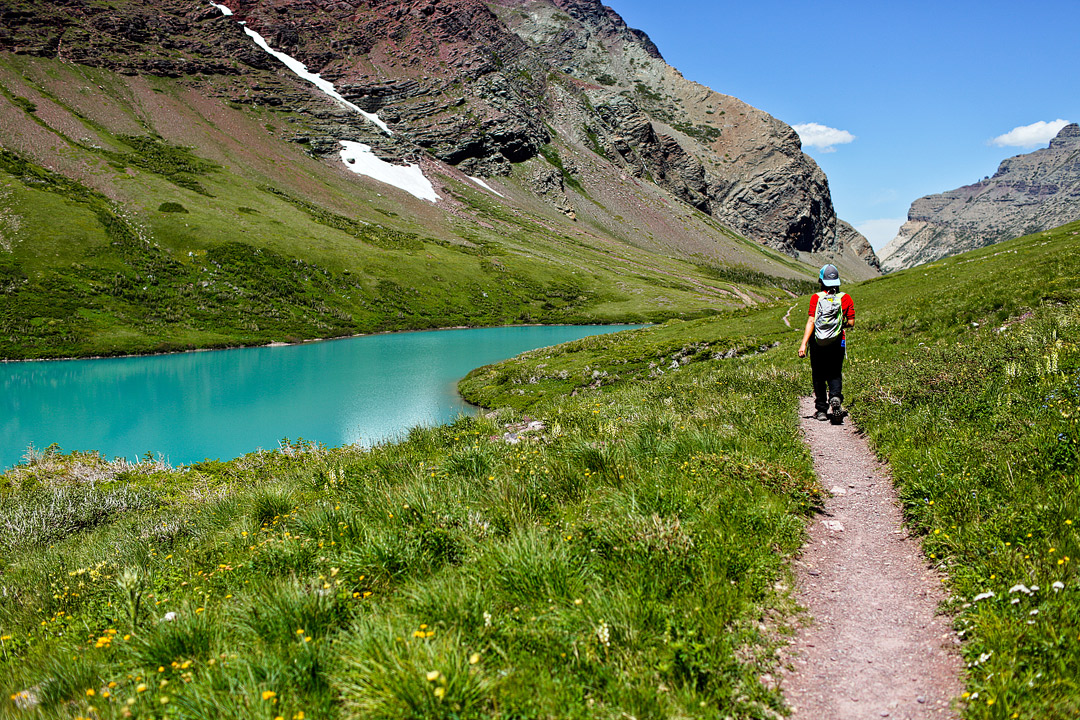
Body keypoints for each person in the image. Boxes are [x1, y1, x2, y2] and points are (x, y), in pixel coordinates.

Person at [798, 264, 855, 422]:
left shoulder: (816, 298)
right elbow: (851, 322)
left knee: (818, 374)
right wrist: (839, 325)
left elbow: (811, 321)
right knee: (835, 372)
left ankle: (821, 410)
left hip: (817, 342)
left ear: (821, 280)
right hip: (837, 342)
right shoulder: (845, 298)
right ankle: (835, 397)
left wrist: (803, 345)